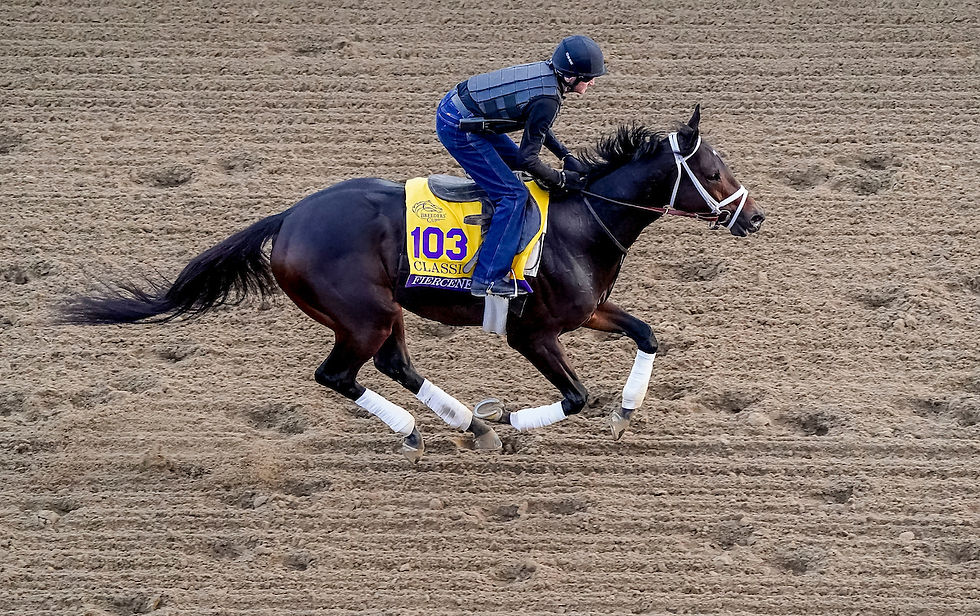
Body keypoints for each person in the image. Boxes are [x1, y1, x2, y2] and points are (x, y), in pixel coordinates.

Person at [435, 35, 606, 297]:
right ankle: (487, 278)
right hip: (458, 127)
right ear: (571, 77)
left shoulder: (547, 75)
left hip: (465, 112)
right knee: (513, 196)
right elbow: (529, 158)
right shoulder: (548, 99)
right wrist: (560, 179)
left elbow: (535, 124)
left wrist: (565, 154)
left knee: (519, 171)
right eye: (589, 77)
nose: (593, 82)